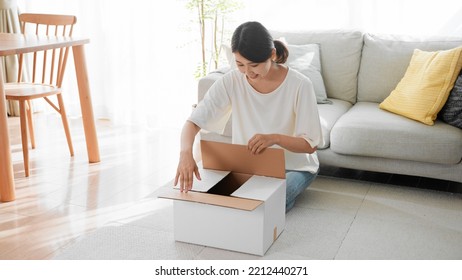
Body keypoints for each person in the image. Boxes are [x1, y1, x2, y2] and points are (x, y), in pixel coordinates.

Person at [174, 21, 322, 212]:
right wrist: (185, 154)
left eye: (254, 65)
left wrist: (274, 138)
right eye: (240, 64)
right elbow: (192, 122)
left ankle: (279, 203)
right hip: (251, 166)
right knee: (229, 203)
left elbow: (310, 145)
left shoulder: (300, 85)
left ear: (272, 55)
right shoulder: (232, 81)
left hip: (296, 167)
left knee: (264, 205)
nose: (248, 72)